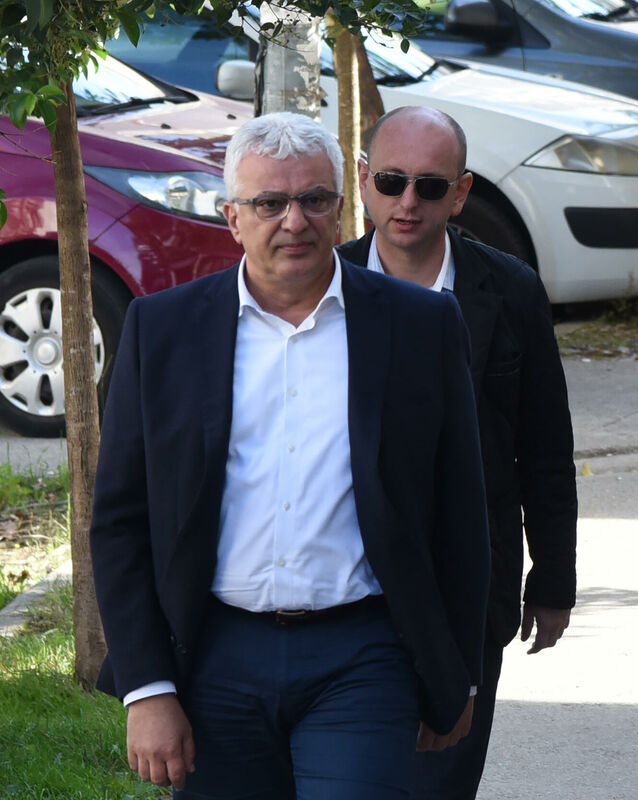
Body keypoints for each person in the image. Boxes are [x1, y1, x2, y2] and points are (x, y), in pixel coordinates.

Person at [89, 111, 491, 797]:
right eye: (270, 203)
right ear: (232, 217)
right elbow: (121, 520)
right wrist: (148, 688)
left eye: (313, 199)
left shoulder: (422, 325)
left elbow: (460, 511)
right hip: (213, 657)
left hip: (365, 656)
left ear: (340, 209)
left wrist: (457, 675)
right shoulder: (163, 331)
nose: (294, 221)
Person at [337, 105, 578, 799]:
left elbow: (544, 448)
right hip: (346, 583)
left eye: (430, 186)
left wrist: (552, 580)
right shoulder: (323, 287)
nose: (408, 202)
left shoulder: (510, 291)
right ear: (363, 180)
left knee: (441, 780)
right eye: (391, 181)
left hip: (468, 587)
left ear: (462, 193)